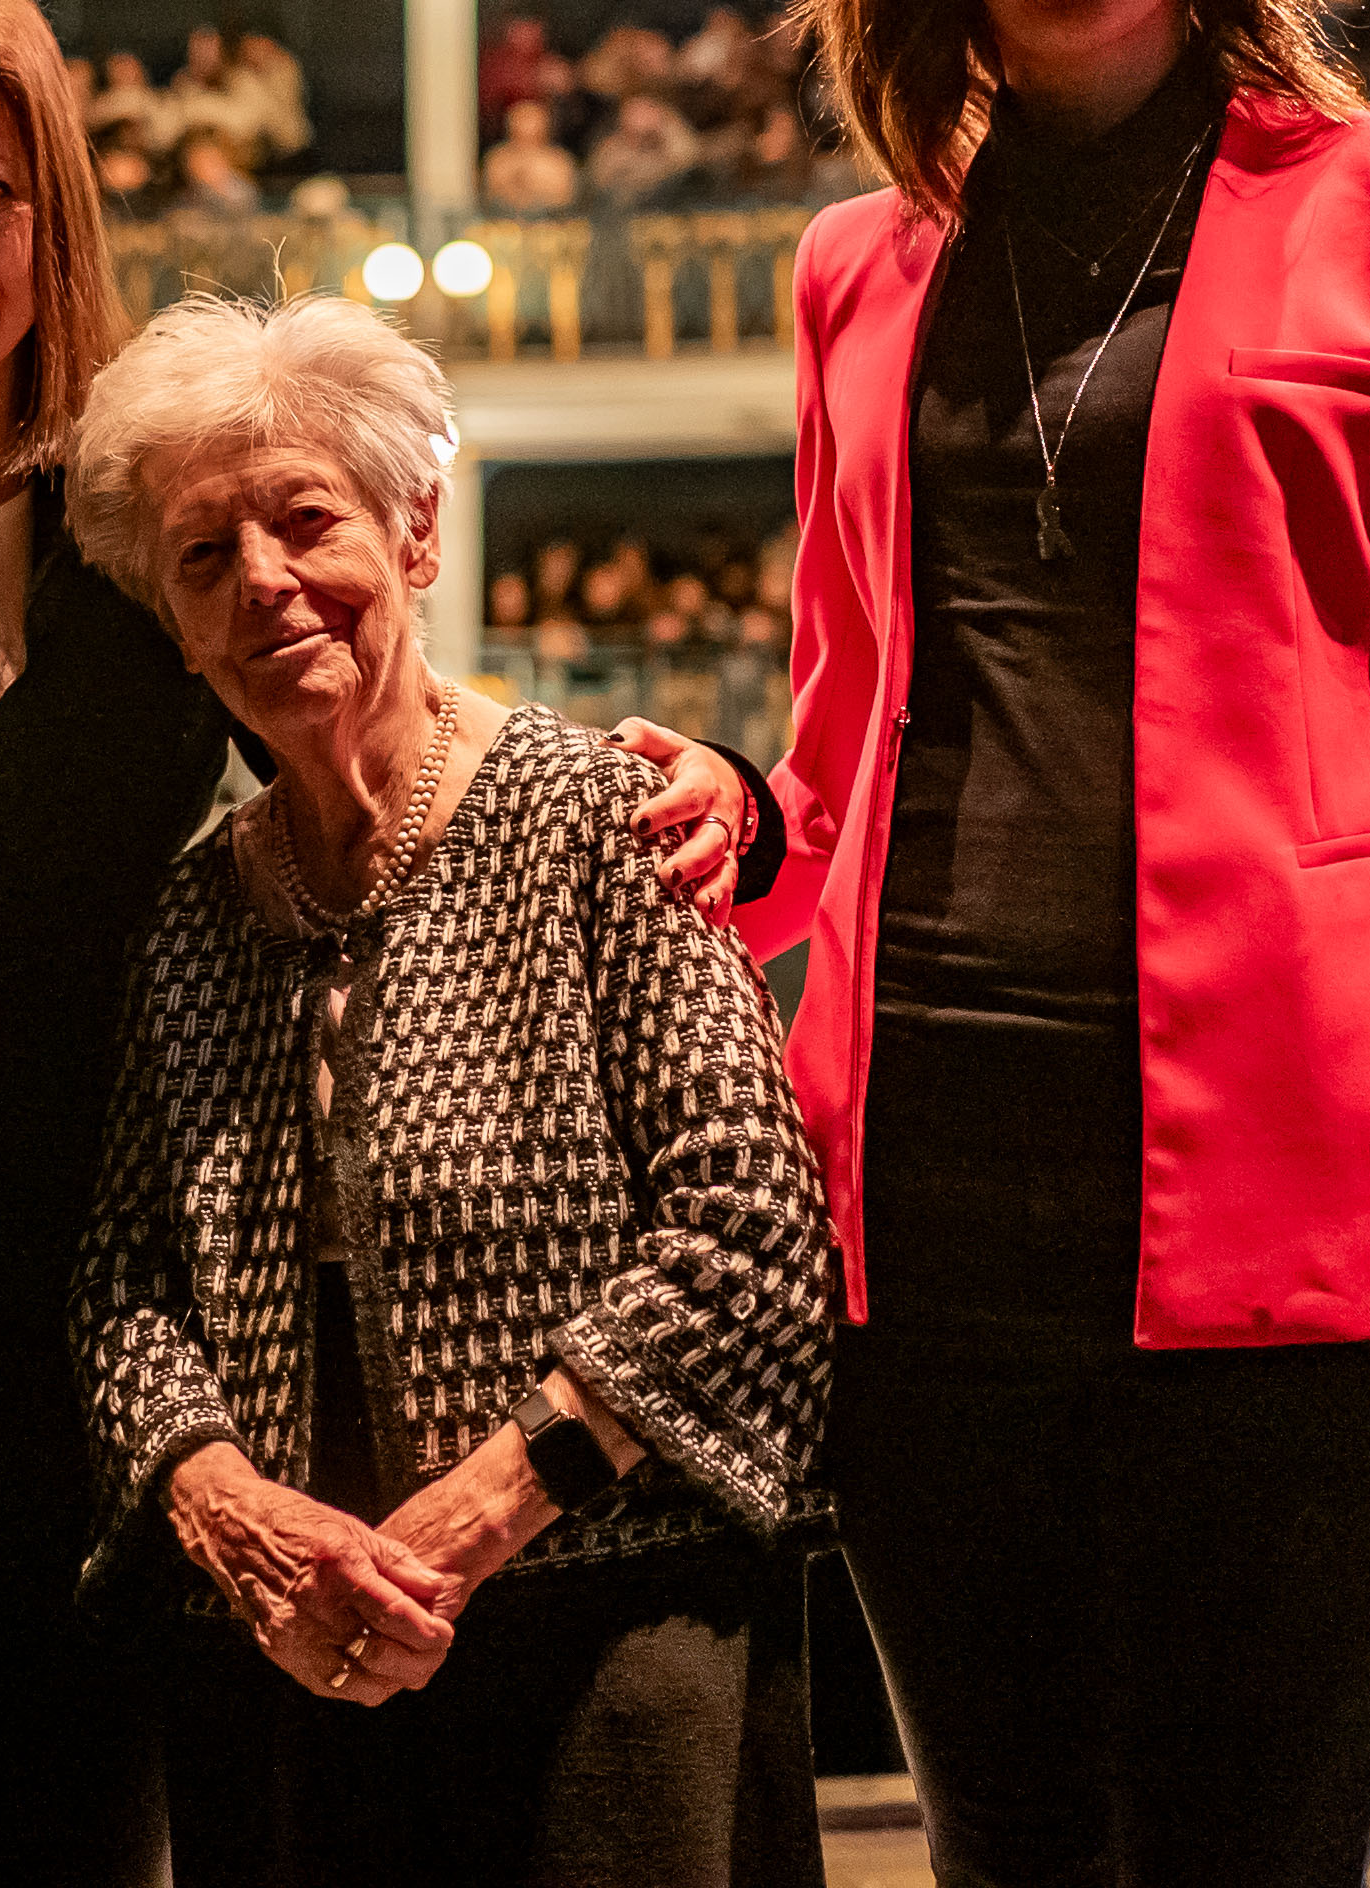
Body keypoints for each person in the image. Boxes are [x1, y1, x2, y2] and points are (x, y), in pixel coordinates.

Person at [0, 0, 751, 1887]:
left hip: (68, 1377)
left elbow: (378, 715)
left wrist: (733, 782)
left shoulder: (149, 543)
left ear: (56, 214)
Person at [742, 0, 1370, 1884]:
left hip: (1300, 1194)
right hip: (917, 1195)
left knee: (1251, 1849)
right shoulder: (854, 266)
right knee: (1002, 1843)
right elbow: (830, 752)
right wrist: (717, 830)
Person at [67, 290, 834, 1888]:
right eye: (205, 557)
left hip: (604, 1620)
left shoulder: (599, 822)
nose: (265, 581)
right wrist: (225, 1508)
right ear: (173, 619)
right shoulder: (192, 913)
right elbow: (127, 1281)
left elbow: (754, 1237)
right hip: (285, 1645)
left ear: (414, 538)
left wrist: (478, 1514)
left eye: (305, 519)